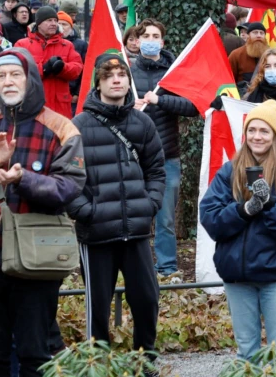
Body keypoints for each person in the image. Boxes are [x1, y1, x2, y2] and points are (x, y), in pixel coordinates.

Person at [0, 48, 86, 377]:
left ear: (30, 78)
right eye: (2, 76)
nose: (8, 81)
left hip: (37, 261)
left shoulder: (61, 129)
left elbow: (70, 186)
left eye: (15, 74)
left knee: (35, 355)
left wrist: (24, 179)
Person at [68, 53, 165, 357]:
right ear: (97, 82)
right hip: (96, 233)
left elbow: (156, 170)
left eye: (122, 74)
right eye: (108, 75)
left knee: (147, 299)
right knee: (98, 307)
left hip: (135, 230)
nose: (116, 80)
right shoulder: (79, 125)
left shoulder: (142, 122)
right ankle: (98, 363)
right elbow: (68, 178)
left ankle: (145, 359)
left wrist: (150, 204)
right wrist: (87, 212)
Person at [199, 100, 276, 359]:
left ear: (275, 136)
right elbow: (211, 219)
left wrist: (270, 203)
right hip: (238, 276)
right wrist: (242, 211)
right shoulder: (228, 172)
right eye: (252, 130)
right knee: (247, 353)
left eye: (264, 131)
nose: (257, 136)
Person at [128, 18, 199, 279]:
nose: (150, 40)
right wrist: (127, 107)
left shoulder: (174, 73)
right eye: (146, 36)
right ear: (137, 41)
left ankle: (167, 267)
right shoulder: (126, 71)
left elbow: (192, 106)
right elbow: (106, 104)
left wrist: (161, 100)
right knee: (134, 215)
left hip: (167, 156)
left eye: (155, 36)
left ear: (162, 42)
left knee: (165, 217)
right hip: (133, 156)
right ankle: (135, 267)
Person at [14, 6, 83, 119]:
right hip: (33, 106)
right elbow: (17, 71)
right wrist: (43, 69)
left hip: (60, 108)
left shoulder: (67, 45)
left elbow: (77, 69)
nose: (54, 24)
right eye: (49, 20)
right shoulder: (22, 45)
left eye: (55, 21)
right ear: (39, 23)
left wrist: (63, 68)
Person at [228, 21, 269, 86]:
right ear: (248, 35)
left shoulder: (271, 55)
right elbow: (228, 80)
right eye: (255, 32)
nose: (259, 36)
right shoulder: (236, 55)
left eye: (261, 33)